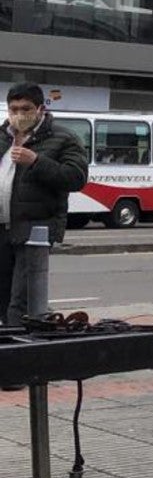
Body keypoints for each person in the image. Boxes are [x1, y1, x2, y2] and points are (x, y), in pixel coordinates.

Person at [0, 83, 88, 327]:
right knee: (3, 298)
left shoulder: (63, 138)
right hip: (2, 229)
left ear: (40, 109)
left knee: (21, 302)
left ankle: (19, 354)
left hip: (34, 231)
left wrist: (37, 161)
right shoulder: (2, 136)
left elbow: (76, 177)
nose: (19, 114)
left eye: (25, 108)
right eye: (13, 108)